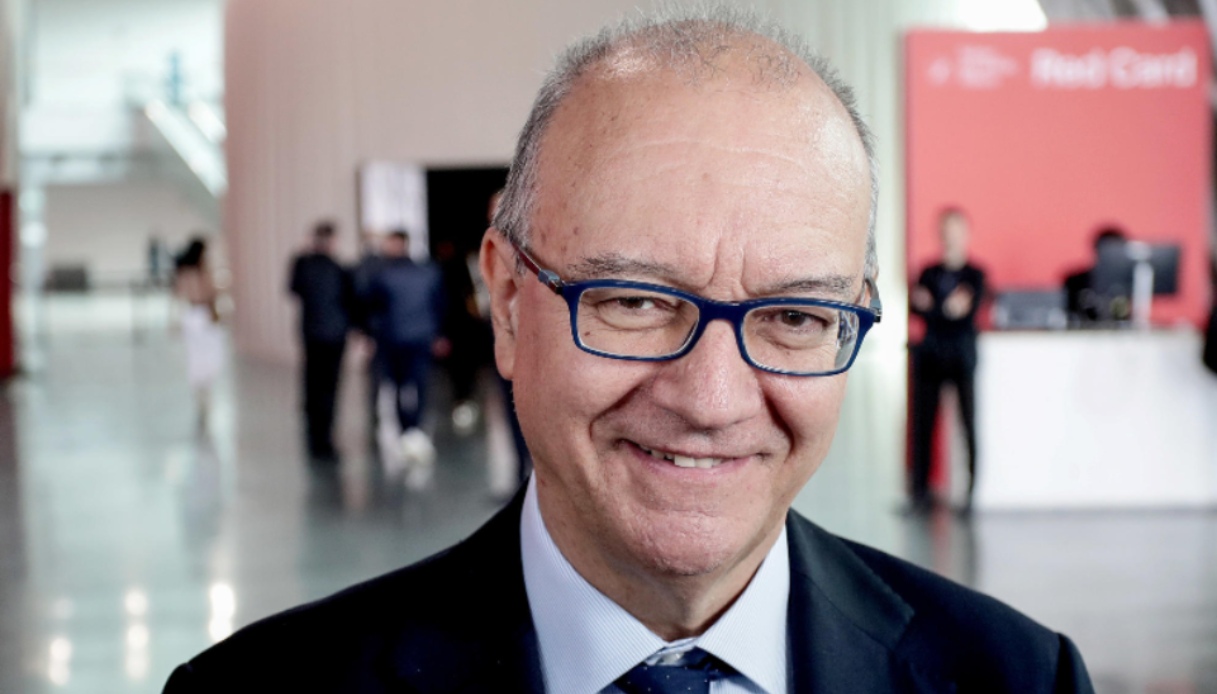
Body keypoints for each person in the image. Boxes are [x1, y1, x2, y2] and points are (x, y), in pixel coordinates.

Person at [165, 8, 1094, 692]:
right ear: (507, 302)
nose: (712, 399)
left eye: (794, 317)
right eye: (636, 301)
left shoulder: (1019, 676)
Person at [909, 208, 986, 514]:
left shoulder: (976, 275)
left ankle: (971, 493)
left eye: (955, 230)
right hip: (930, 356)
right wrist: (946, 308)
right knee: (923, 427)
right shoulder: (928, 271)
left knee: (968, 424)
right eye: (946, 230)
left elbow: (964, 312)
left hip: (962, 357)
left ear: (965, 233)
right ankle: (919, 493)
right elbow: (918, 308)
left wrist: (933, 307)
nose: (950, 236)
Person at [366, 230, 445, 476]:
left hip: (395, 339)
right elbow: (439, 304)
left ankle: (407, 431)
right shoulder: (426, 273)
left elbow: (372, 307)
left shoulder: (382, 275)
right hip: (419, 337)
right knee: (419, 385)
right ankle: (414, 430)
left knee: (400, 386)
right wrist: (438, 333)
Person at [288, 221, 353, 460]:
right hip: (331, 335)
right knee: (328, 387)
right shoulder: (337, 268)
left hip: (317, 334)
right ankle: (322, 436)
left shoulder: (306, 264)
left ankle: (317, 435)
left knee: (315, 385)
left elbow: (294, 289)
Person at [172, 237, 224, 428]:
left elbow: (177, 297)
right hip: (203, 315)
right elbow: (213, 294)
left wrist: (175, 321)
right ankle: (205, 397)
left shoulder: (184, 274)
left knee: (196, 358)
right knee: (206, 358)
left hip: (191, 316)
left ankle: (201, 398)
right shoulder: (204, 273)